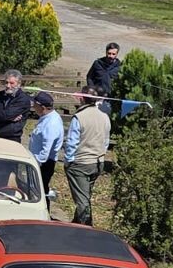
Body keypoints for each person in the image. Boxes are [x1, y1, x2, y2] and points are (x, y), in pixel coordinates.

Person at [64, 88, 112, 225]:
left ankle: (86, 226)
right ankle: (77, 222)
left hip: (81, 163)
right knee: (85, 195)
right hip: (98, 162)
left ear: (82, 99)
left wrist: (68, 161)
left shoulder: (79, 117)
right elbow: (106, 141)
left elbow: (72, 142)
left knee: (82, 199)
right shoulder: (105, 117)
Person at [27, 90, 64, 195]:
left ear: (42, 107)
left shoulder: (52, 123)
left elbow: (45, 150)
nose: (33, 107)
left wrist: (35, 165)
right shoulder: (46, 118)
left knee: (40, 193)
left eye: (34, 105)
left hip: (43, 164)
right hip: (38, 162)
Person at [0, 69, 32, 142]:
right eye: (6, 82)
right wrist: (9, 118)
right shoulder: (0, 95)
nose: (8, 86)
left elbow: (5, 115)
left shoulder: (23, 100)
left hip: (11, 138)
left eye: (12, 83)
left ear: (19, 84)